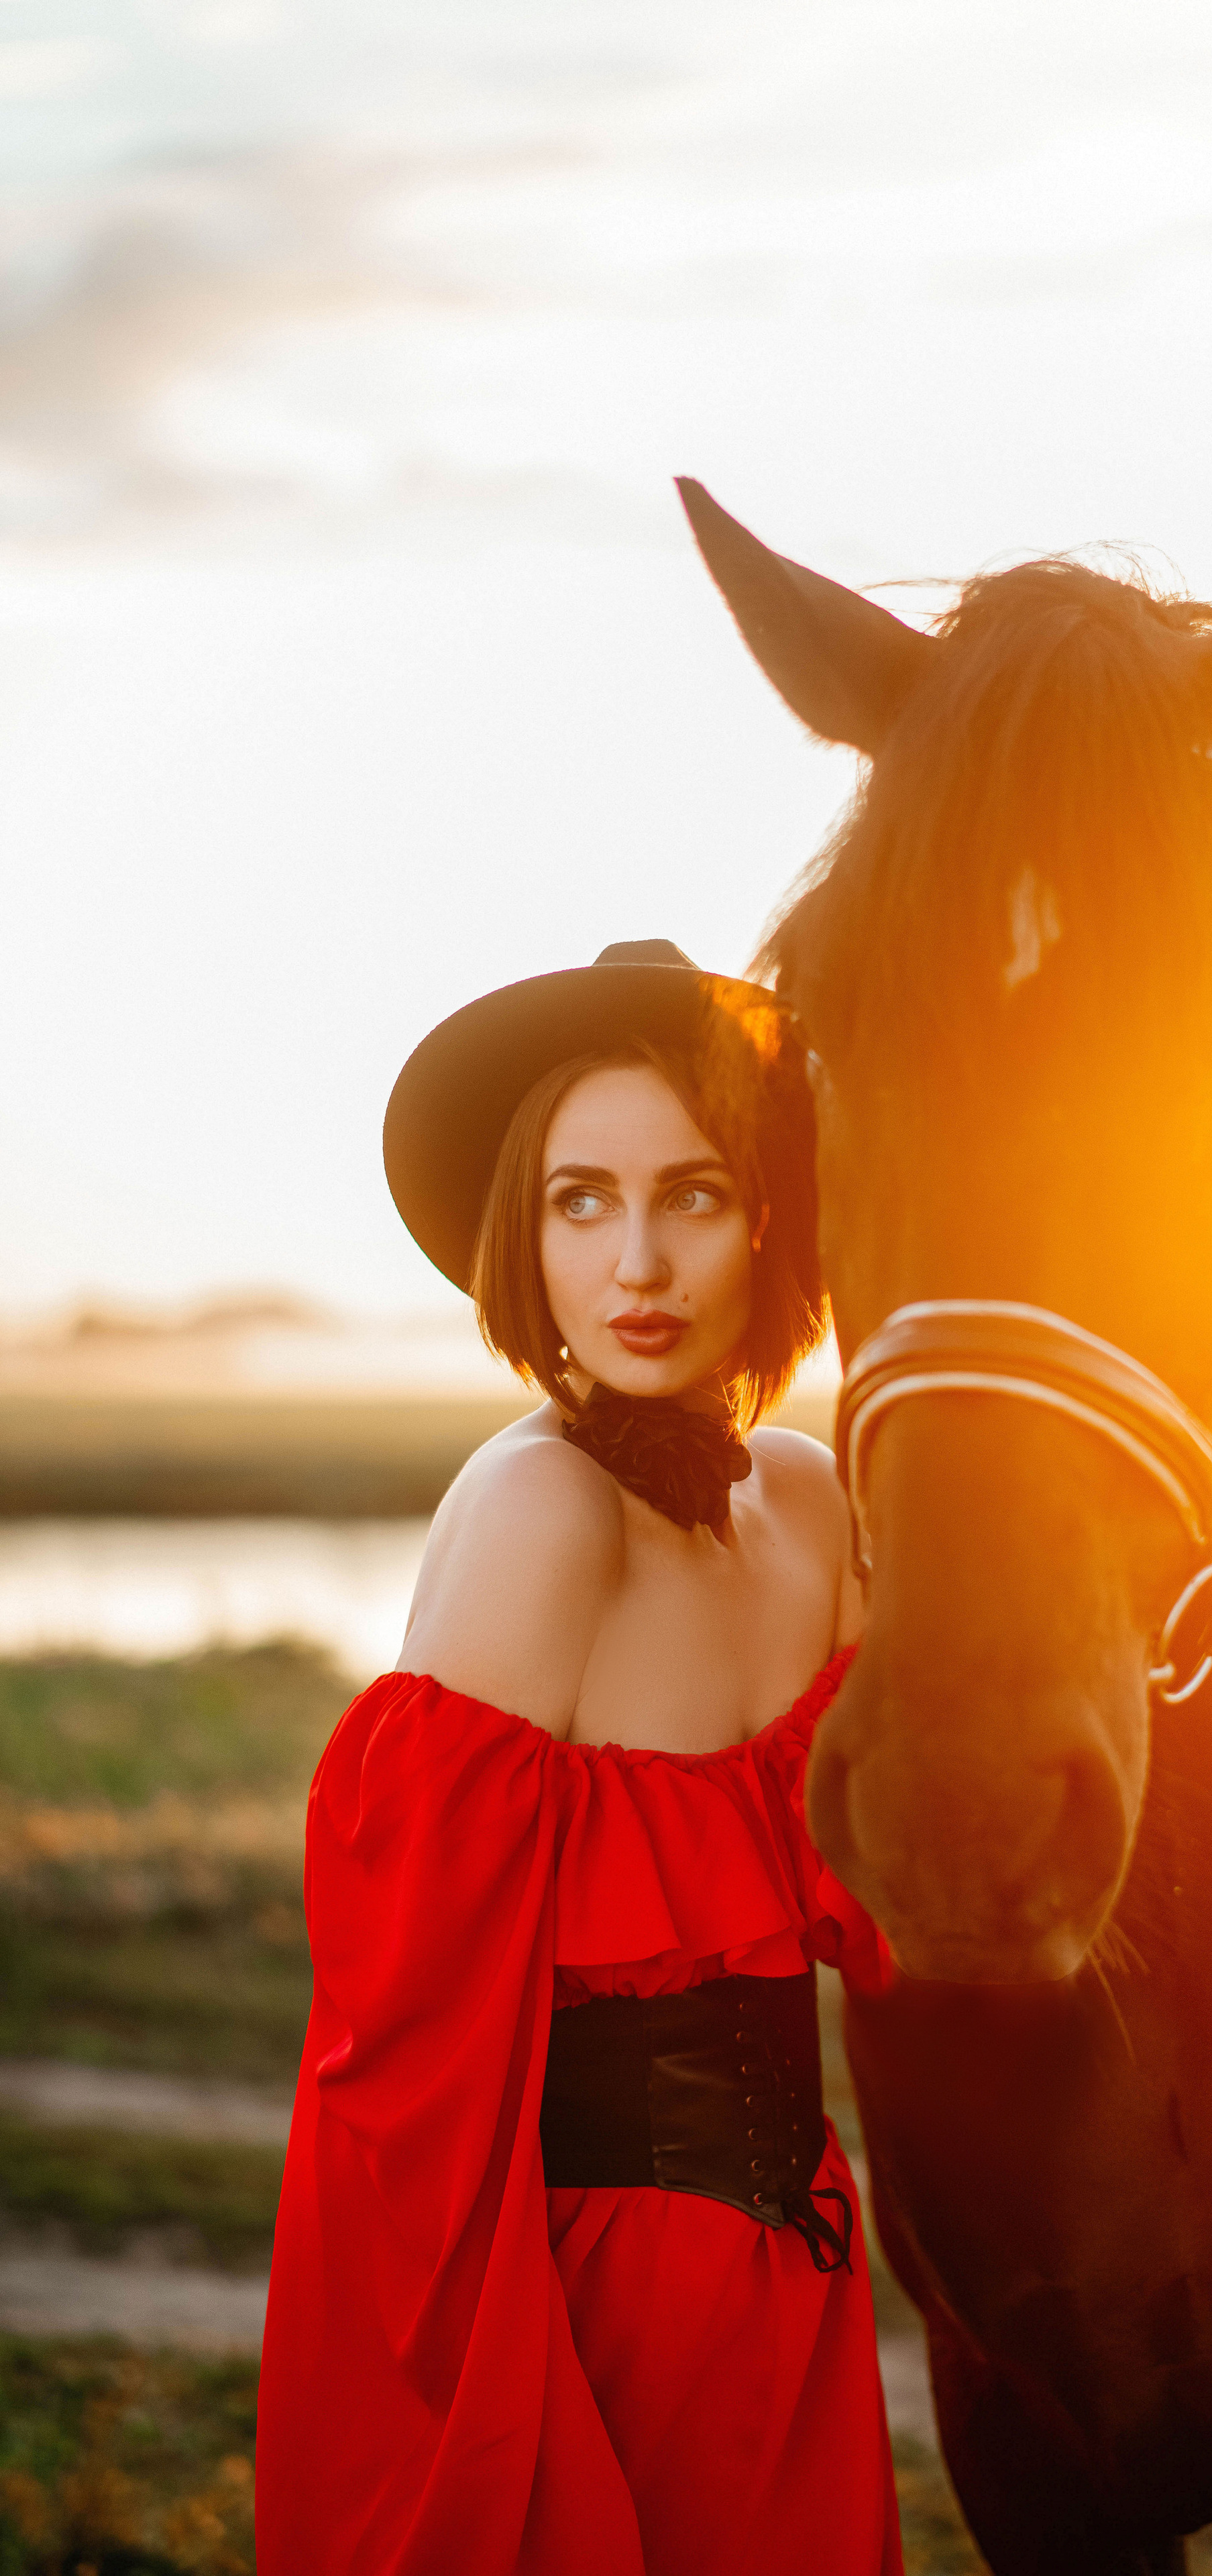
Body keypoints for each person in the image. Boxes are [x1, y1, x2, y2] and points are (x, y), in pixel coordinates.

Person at [256, 941, 901, 2576]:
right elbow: (409, 2040)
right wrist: (473, 2411)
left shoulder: (814, 1499)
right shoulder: (536, 1509)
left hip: (793, 2271)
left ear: (770, 1220)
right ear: (522, 1238)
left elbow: (909, 1898)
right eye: (579, 1201)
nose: (637, 1264)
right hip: (587, 2294)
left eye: (690, 1195)